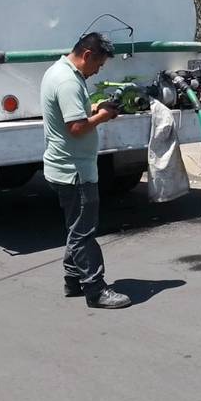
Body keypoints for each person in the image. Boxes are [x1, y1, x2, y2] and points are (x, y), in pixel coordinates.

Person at [41, 32, 131, 309]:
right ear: (87, 55)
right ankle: (95, 289)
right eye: (99, 65)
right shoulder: (68, 80)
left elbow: (73, 113)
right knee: (84, 232)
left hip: (65, 166)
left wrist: (94, 107)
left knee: (76, 228)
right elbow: (76, 128)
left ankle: (72, 280)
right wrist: (103, 116)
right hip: (75, 170)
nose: (98, 70)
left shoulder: (59, 72)